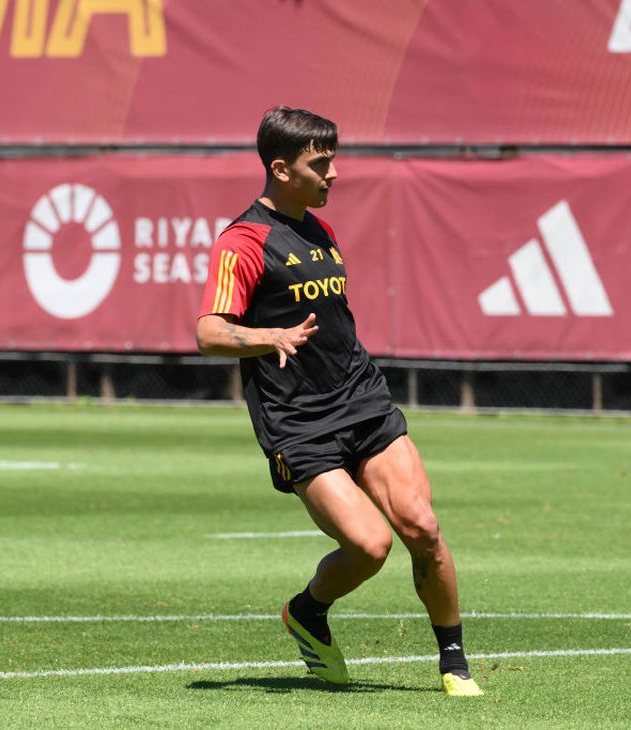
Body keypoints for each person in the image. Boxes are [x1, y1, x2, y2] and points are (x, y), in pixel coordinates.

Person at [196, 106, 482, 697]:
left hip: (363, 399)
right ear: (281, 169)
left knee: (423, 527)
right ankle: (307, 611)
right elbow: (209, 332)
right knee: (370, 546)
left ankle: (454, 663)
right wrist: (268, 336)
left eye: (332, 161)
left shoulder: (321, 230)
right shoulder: (242, 241)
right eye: (319, 164)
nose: (333, 174)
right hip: (298, 423)